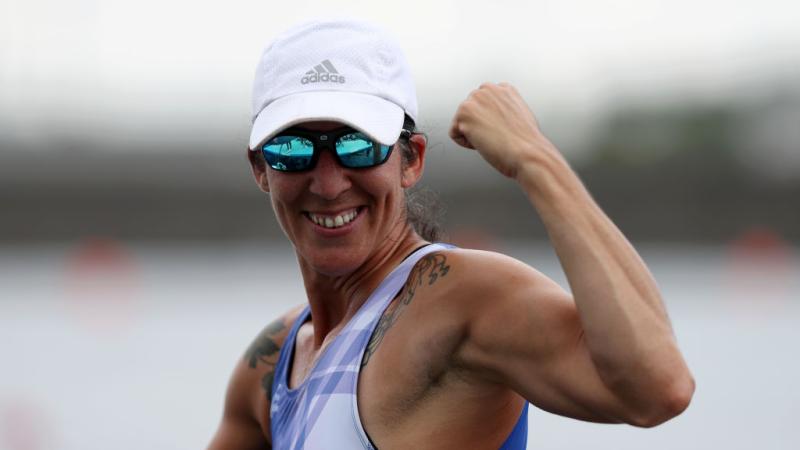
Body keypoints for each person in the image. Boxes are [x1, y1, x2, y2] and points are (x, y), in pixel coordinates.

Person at [208, 18, 695, 450]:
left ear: (411, 159)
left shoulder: (461, 301)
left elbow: (658, 389)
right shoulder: (272, 364)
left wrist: (535, 160)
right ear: (259, 168)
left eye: (357, 146)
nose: (330, 183)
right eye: (293, 150)